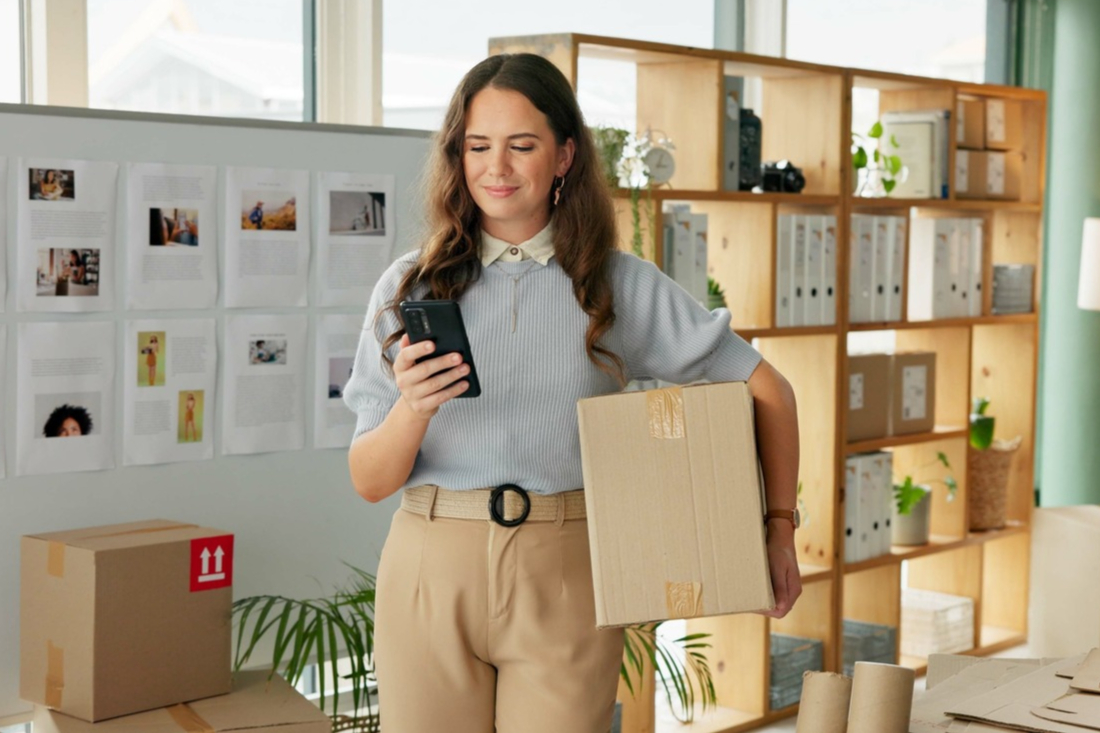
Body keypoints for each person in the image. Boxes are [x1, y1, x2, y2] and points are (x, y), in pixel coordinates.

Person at [342, 53, 802, 733]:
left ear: (563, 156)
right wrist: (413, 407)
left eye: (521, 145)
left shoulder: (616, 283)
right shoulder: (408, 286)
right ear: (457, 156)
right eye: (477, 146)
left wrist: (778, 528)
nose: (496, 167)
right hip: (429, 565)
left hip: (571, 569)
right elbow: (368, 480)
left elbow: (769, 389)